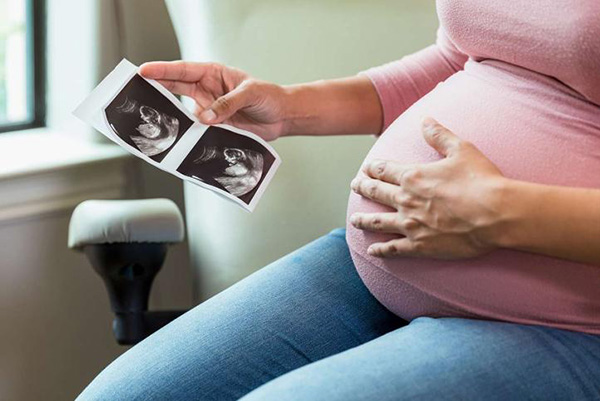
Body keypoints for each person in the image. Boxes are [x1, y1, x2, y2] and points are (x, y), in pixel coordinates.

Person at [78, 1, 600, 399]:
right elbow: (467, 54)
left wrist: (499, 211)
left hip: (565, 320)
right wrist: (289, 108)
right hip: (384, 259)